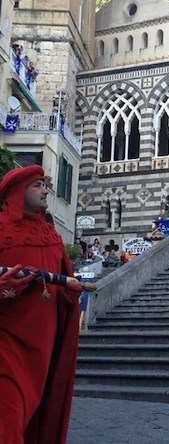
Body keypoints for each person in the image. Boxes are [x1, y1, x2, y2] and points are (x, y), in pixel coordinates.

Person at [0, 164, 82, 443]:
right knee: (7, 418)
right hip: (6, 341)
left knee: (30, 418)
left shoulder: (52, 235)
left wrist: (70, 293)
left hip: (43, 347)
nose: (45, 189)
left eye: (45, 184)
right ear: (16, 192)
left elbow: (65, 282)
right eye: (37, 185)